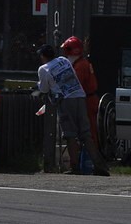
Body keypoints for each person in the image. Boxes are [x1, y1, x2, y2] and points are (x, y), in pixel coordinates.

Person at [36, 44, 109, 176]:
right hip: (80, 96)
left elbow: (44, 89)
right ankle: (99, 165)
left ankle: (74, 167)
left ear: (43, 56)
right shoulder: (63, 60)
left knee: (70, 134)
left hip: (65, 100)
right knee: (86, 134)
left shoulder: (43, 69)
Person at [62, 36, 100, 145]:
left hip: (87, 100)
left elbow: (75, 84)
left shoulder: (80, 66)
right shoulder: (81, 63)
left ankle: (91, 157)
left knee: (89, 130)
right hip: (88, 98)